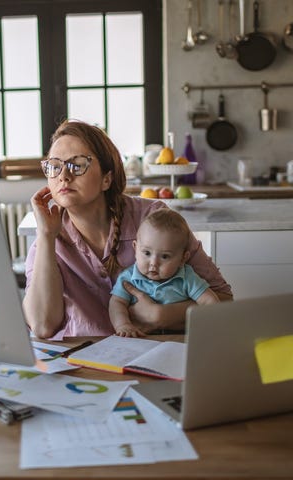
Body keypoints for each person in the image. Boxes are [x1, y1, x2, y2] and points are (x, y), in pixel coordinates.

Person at [23, 119, 232, 340]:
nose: (64, 176)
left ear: (106, 179)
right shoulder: (48, 237)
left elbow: (224, 300)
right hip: (85, 363)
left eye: (77, 164)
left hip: (157, 352)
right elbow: (42, 326)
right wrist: (46, 236)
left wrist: (162, 315)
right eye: (55, 166)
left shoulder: (153, 219)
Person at [109, 208, 220, 338]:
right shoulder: (128, 278)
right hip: (142, 338)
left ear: (183, 259)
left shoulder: (186, 277)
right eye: (147, 253)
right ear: (135, 248)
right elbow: (116, 303)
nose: (153, 263)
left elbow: (209, 301)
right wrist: (123, 325)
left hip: (180, 338)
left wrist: (212, 323)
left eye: (165, 256)